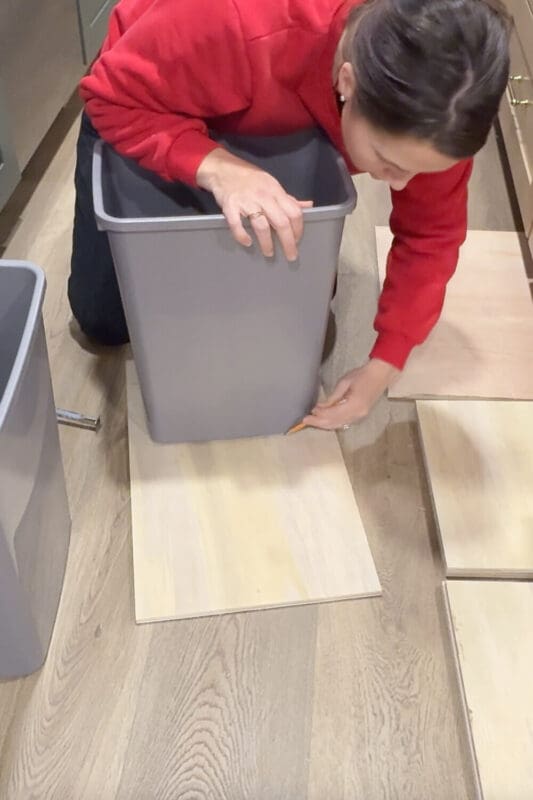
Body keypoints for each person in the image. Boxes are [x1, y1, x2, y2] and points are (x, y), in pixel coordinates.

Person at [69, 0, 510, 431]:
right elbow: (111, 98)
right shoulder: (232, 18)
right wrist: (219, 168)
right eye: (386, 160)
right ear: (347, 82)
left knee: (289, 318)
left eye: (419, 170)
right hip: (150, 101)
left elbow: (430, 235)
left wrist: (385, 364)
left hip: (275, 115)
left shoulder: (441, 108)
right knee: (105, 321)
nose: (399, 184)